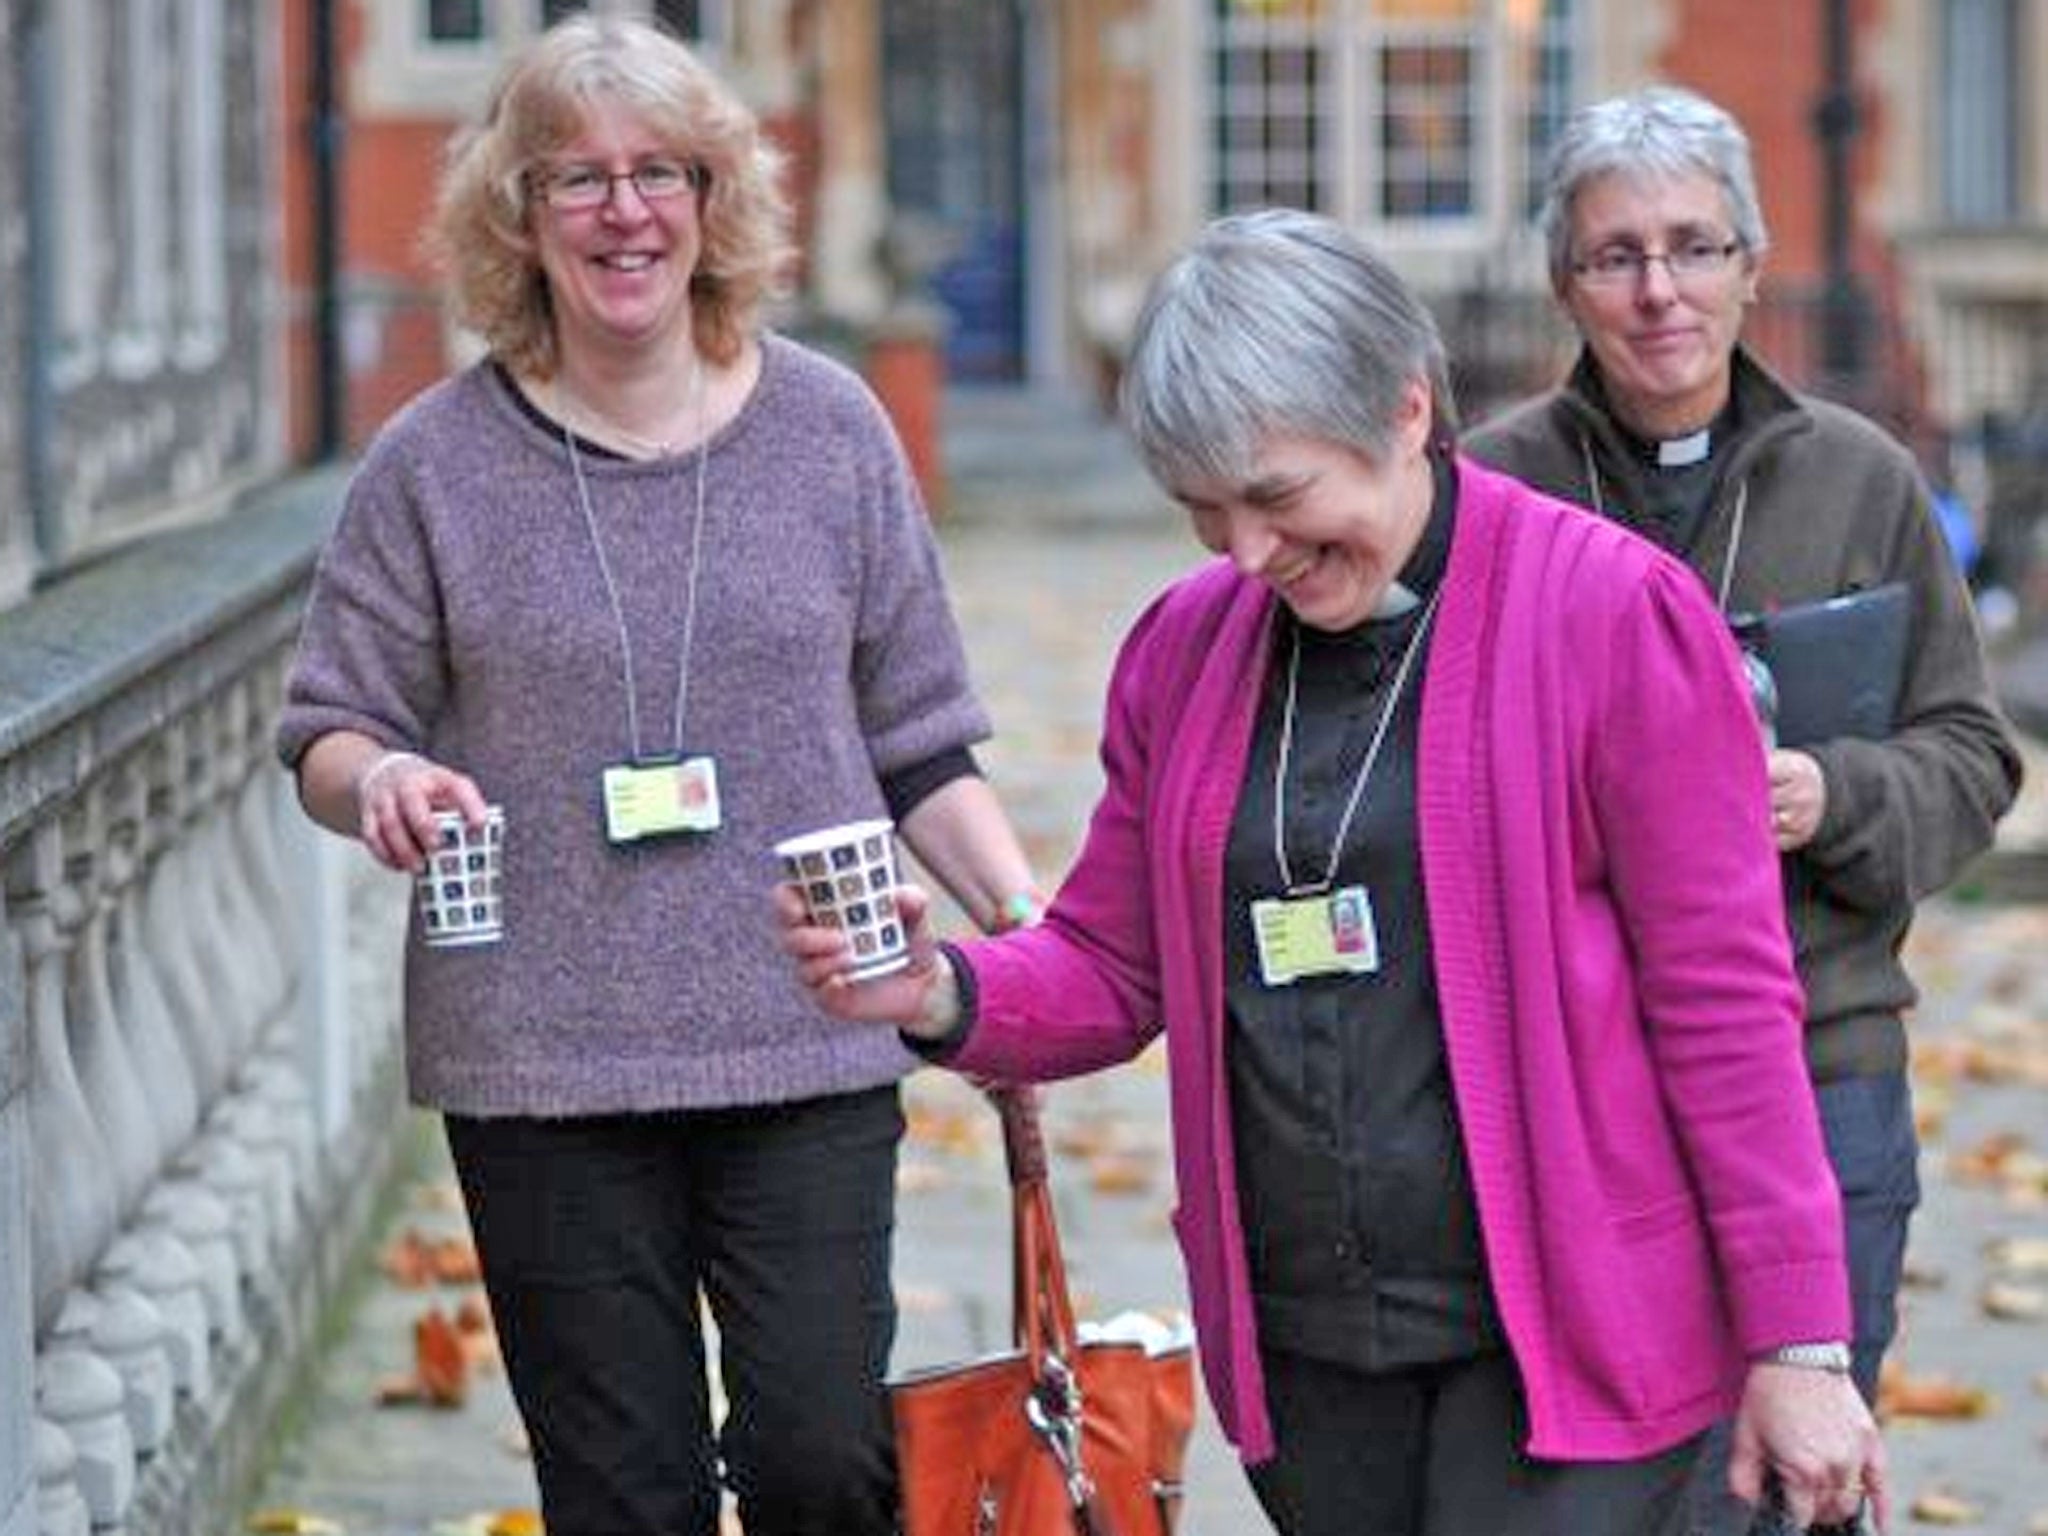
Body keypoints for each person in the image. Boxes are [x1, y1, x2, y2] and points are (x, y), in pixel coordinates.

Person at [778, 208, 1886, 1536]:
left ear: (1407, 410)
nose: (1248, 553)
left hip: (1568, 1338)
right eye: (1205, 512)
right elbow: (1114, 963)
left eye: (1279, 496)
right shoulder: (1188, 648)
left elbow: (1725, 1002)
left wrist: (1800, 1341)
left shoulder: (1611, 616)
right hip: (1311, 1349)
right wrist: (936, 991)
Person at [274, 16, 1040, 1536]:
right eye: (577, 178)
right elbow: (326, 726)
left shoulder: (831, 430)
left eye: (660, 174)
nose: (625, 212)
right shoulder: (432, 464)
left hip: (811, 1032)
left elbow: (922, 736)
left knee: (828, 1463)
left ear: (713, 199)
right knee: (623, 1498)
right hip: (545, 1059)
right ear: (519, 212)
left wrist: (1024, 939)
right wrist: (380, 784)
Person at [1464, 85, 2020, 1530]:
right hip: (1570, 1081)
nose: (1661, 292)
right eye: (1617, 256)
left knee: (1797, 1483)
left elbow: (1972, 756)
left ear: (1754, 264)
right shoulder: (1489, 494)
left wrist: (1829, 791)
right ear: (1563, 282)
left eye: (1696, 248)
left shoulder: (1863, 479)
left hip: (1825, 1067)